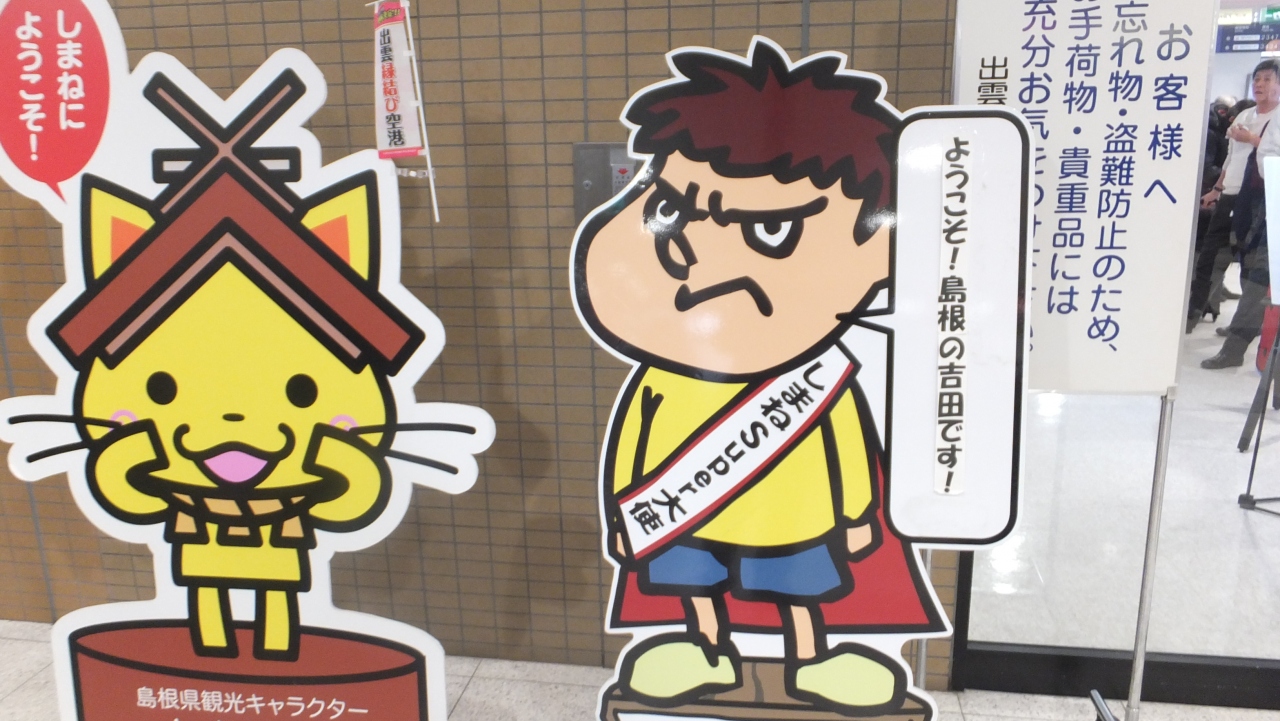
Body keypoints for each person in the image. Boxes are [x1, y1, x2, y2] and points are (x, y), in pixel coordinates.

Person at [572, 40, 941, 715]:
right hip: (682, 512)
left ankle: (812, 658)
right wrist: (625, 513)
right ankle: (707, 647)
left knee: (796, 586)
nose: (699, 259)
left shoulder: (819, 377)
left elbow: (847, 446)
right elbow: (634, 439)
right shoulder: (665, 374)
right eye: (673, 212)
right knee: (694, 578)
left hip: (796, 514)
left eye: (771, 230)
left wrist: (857, 516)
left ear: (879, 249)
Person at [1192, 62, 1279, 355]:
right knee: (1221, 257)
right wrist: (1217, 189)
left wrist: (1251, 139)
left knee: (1256, 270)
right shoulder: (1245, 115)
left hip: (1265, 199)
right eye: (1257, 79)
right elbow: (1232, 158)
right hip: (1236, 197)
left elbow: (1270, 156)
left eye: (1267, 79)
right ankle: (1198, 316)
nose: (1259, 84)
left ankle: (1237, 344)